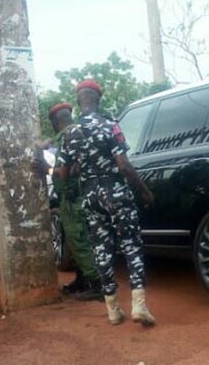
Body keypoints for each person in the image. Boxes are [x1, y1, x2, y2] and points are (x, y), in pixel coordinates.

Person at [60, 80, 156, 326]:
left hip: (91, 196)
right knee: (131, 245)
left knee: (102, 251)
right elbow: (123, 164)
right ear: (98, 99)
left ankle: (113, 310)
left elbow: (64, 172)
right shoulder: (110, 125)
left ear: (79, 102)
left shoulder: (70, 133)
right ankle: (139, 306)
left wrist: (80, 168)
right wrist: (144, 191)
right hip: (116, 191)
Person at [33, 103, 102, 300]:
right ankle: (83, 279)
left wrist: (46, 169)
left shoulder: (68, 136)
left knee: (79, 241)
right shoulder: (77, 133)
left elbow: (67, 172)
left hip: (73, 198)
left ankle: (97, 284)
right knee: (75, 242)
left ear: (56, 122)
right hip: (79, 196)